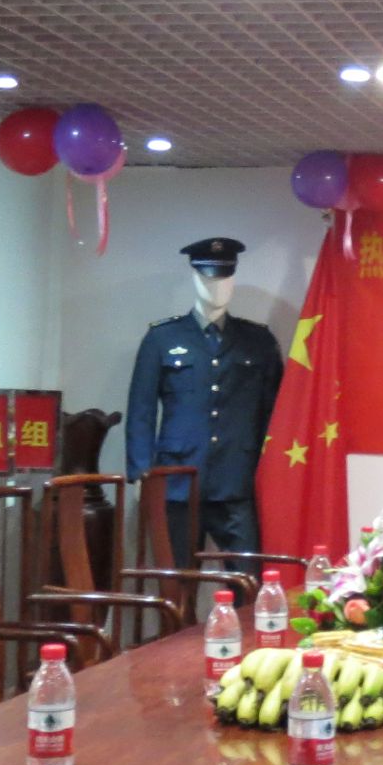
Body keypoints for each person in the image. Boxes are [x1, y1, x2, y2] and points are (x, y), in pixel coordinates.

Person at [126, 238, 283, 558]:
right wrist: (141, 472)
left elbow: (276, 414)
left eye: (225, 278)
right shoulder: (162, 338)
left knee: (248, 578)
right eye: (209, 278)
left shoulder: (258, 341)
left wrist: (275, 472)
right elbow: (141, 411)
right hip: (178, 480)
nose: (218, 287)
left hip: (238, 481)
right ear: (195, 277)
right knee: (176, 580)